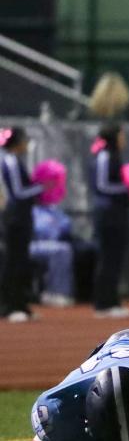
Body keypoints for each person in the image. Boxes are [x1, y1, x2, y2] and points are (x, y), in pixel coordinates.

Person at [1, 127, 48, 322]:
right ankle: (9, 307)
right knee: (13, 261)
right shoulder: (10, 161)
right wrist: (41, 187)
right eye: (25, 140)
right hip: (15, 217)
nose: (27, 144)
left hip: (22, 216)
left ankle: (21, 304)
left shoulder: (16, 160)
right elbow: (18, 193)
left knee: (21, 261)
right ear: (17, 142)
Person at [91, 123, 129, 318]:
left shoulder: (114, 156)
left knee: (115, 258)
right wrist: (128, 188)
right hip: (107, 215)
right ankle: (102, 304)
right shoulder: (104, 155)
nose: (124, 140)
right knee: (107, 258)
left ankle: (112, 300)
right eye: (122, 135)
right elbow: (102, 186)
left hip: (118, 214)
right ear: (114, 137)